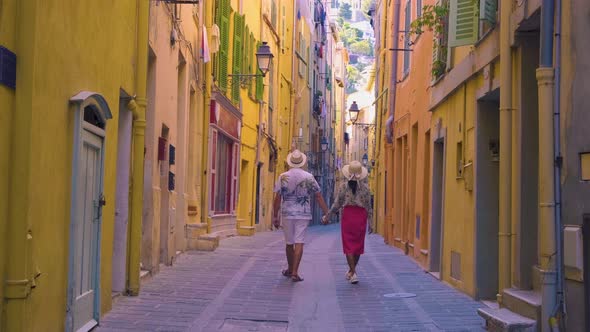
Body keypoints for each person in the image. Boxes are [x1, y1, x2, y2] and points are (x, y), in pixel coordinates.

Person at [272, 150, 329, 282]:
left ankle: (290, 269)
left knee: (289, 243)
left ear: (290, 162)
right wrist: (327, 212)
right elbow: (318, 196)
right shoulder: (309, 177)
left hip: (287, 213)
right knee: (299, 241)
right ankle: (295, 272)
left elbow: (277, 198)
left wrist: (275, 215)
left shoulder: (283, 176)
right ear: (302, 163)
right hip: (303, 213)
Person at [322, 160, 373, 284]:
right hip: (361, 216)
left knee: (348, 245)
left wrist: (327, 216)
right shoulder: (366, 188)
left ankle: (353, 272)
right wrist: (371, 223)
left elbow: (337, 204)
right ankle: (352, 271)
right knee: (358, 246)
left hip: (348, 216)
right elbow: (368, 206)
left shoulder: (343, 186)